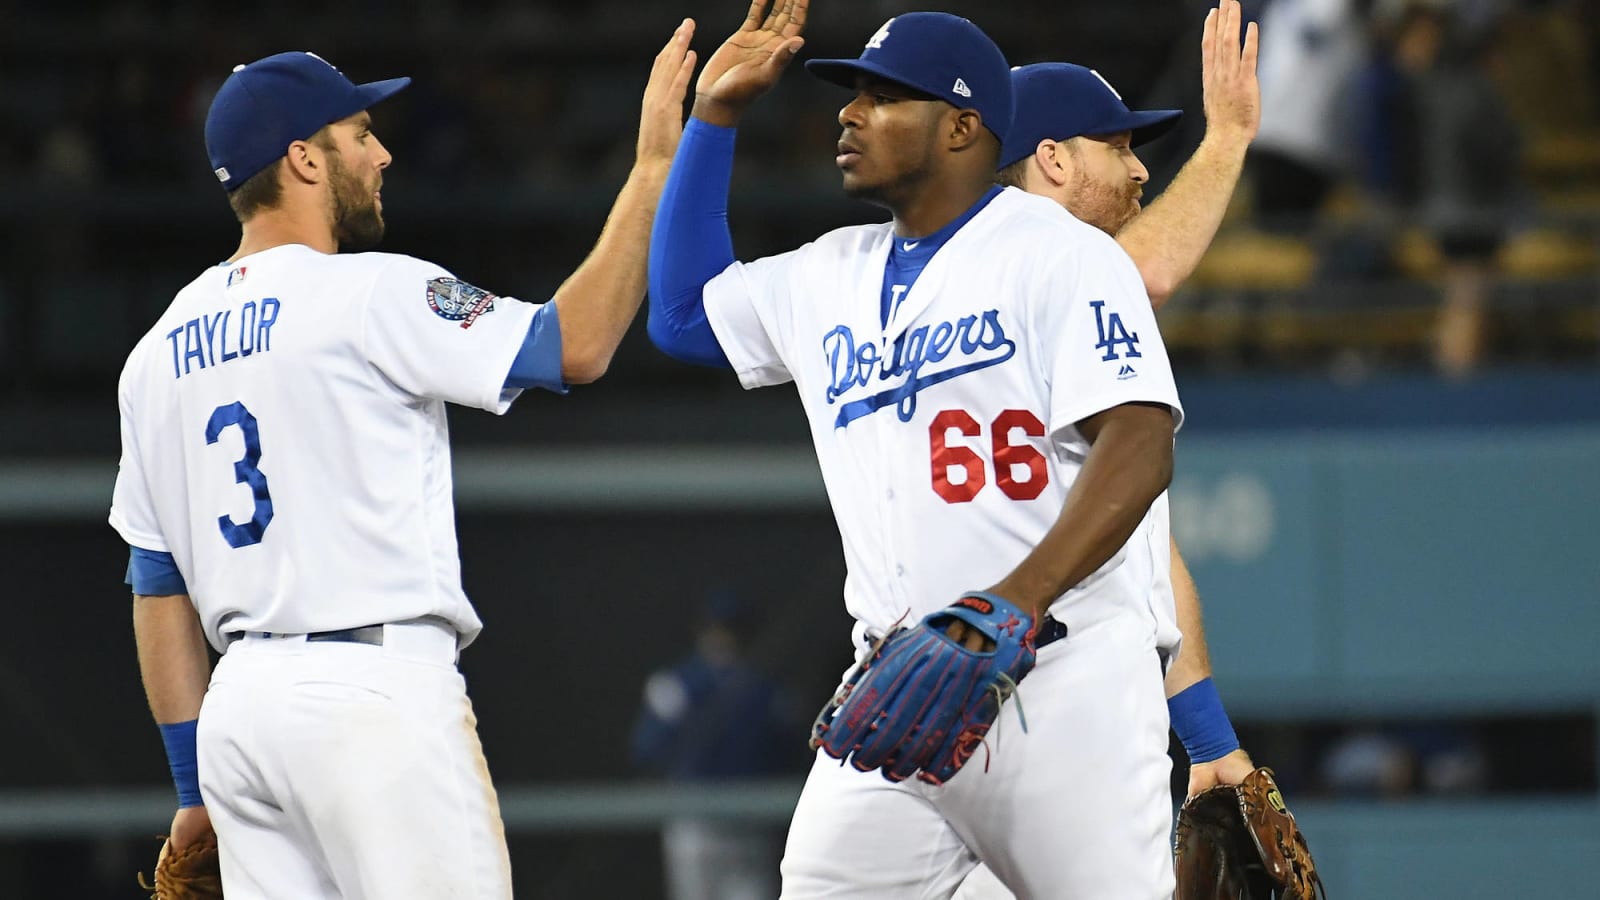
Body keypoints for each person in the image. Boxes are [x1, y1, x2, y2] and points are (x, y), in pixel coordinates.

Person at [109, 27, 697, 899]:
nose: (382, 153)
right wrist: (653, 168)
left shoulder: (154, 354)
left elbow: (157, 585)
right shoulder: (369, 291)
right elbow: (574, 345)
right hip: (371, 693)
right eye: (359, 134)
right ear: (304, 160)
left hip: (240, 717)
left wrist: (195, 788)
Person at [650, 2, 1184, 896]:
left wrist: (1012, 603)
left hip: (1058, 679)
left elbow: (1139, 443)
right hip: (897, 691)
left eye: (887, 98)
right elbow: (678, 318)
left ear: (965, 127)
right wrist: (714, 120)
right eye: (852, 96)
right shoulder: (828, 272)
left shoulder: (1062, 255)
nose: (850, 115)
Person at [957, 5, 1266, 895]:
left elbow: (1141, 550)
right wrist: (1227, 142)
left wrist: (1207, 739)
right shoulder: (1000, 290)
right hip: (1033, 705)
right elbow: (1151, 270)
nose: (1138, 170)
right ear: (1051, 159)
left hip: (1027, 703)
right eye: (1117, 147)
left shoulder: (1056, 301)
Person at [629, 591, 798, 900]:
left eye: (731, 628)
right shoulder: (678, 685)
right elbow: (646, 749)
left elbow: (788, 751)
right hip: (696, 817)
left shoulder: (764, 689)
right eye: (717, 627)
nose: (723, 637)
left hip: (749, 820)